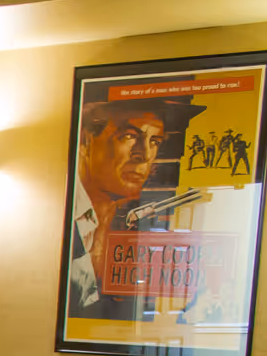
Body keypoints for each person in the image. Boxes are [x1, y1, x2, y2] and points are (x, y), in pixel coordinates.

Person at [66, 94, 202, 319]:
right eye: (128, 136)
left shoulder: (125, 230)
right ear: (85, 142)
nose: (145, 155)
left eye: (155, 142)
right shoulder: (64, 224)